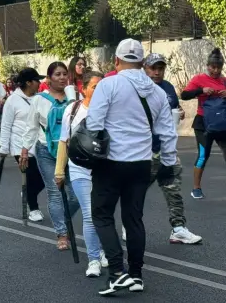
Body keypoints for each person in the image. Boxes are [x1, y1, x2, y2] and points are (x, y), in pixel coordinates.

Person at [87, 39, 177, 295]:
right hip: (141, 164)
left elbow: (94, 124)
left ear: (116, 61)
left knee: (102, 216)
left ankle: (116, 272)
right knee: (133, 219)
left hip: (111, 163)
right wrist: (168, 164)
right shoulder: (158, 92)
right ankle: (136, 275)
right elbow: (168, 132)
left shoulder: (109, 84)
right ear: (142, 62)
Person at [138, 54, 202, 244]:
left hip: (167, 148)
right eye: (153, 68)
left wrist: (180, 112)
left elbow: (175, 106)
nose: (157, 72)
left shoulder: (167, 87)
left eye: (160, 68)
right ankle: (129, 225)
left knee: (173, 190)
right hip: (144, 150)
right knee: (137, 191)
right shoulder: (139, 88)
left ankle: (178, 228)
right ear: (145, 68)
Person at [20, 62, 79, 251]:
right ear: (49, 78)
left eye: (64, 74)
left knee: (76, 195)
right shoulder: (39, 100)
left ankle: (63, 218)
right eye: (57, 74)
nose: (62, 78)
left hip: (71, 151)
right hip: (46, 151)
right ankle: (62, 233)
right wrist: (24, 150)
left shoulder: (75, 97)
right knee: (55, 192)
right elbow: (31, 126)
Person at [55, 71, 108, 277]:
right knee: (89, 213)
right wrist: (59, 171)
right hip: (79, 170)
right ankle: (93, 259)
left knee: (103, 214)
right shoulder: (73, 109)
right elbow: (63, 140)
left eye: (102, 87)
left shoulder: (109, 110)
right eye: (95, 87)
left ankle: (103, 250)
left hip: (104, 171)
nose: (99, 91)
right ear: (83, 89)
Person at [0, 68, 46, 223]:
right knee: (31, 177)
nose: (40, 83)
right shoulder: (13, 100)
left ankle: (27, 193)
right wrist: (4, 148)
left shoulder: (39, 98)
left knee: (44, 178)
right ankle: (34, 209)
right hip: (20, 146)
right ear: (28, 82)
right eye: (37, 80)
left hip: (38, 143)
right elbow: (6, 125)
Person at [181, 48, 226, 199]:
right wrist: (201, 90)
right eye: (213, 67)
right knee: (203, 155)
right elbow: (184, 95)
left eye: (219, 67)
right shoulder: (198, 79)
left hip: (221, 123)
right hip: (203, 124)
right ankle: (196, 188)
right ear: (207, 65)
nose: (216, 70)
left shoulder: (224, 80)